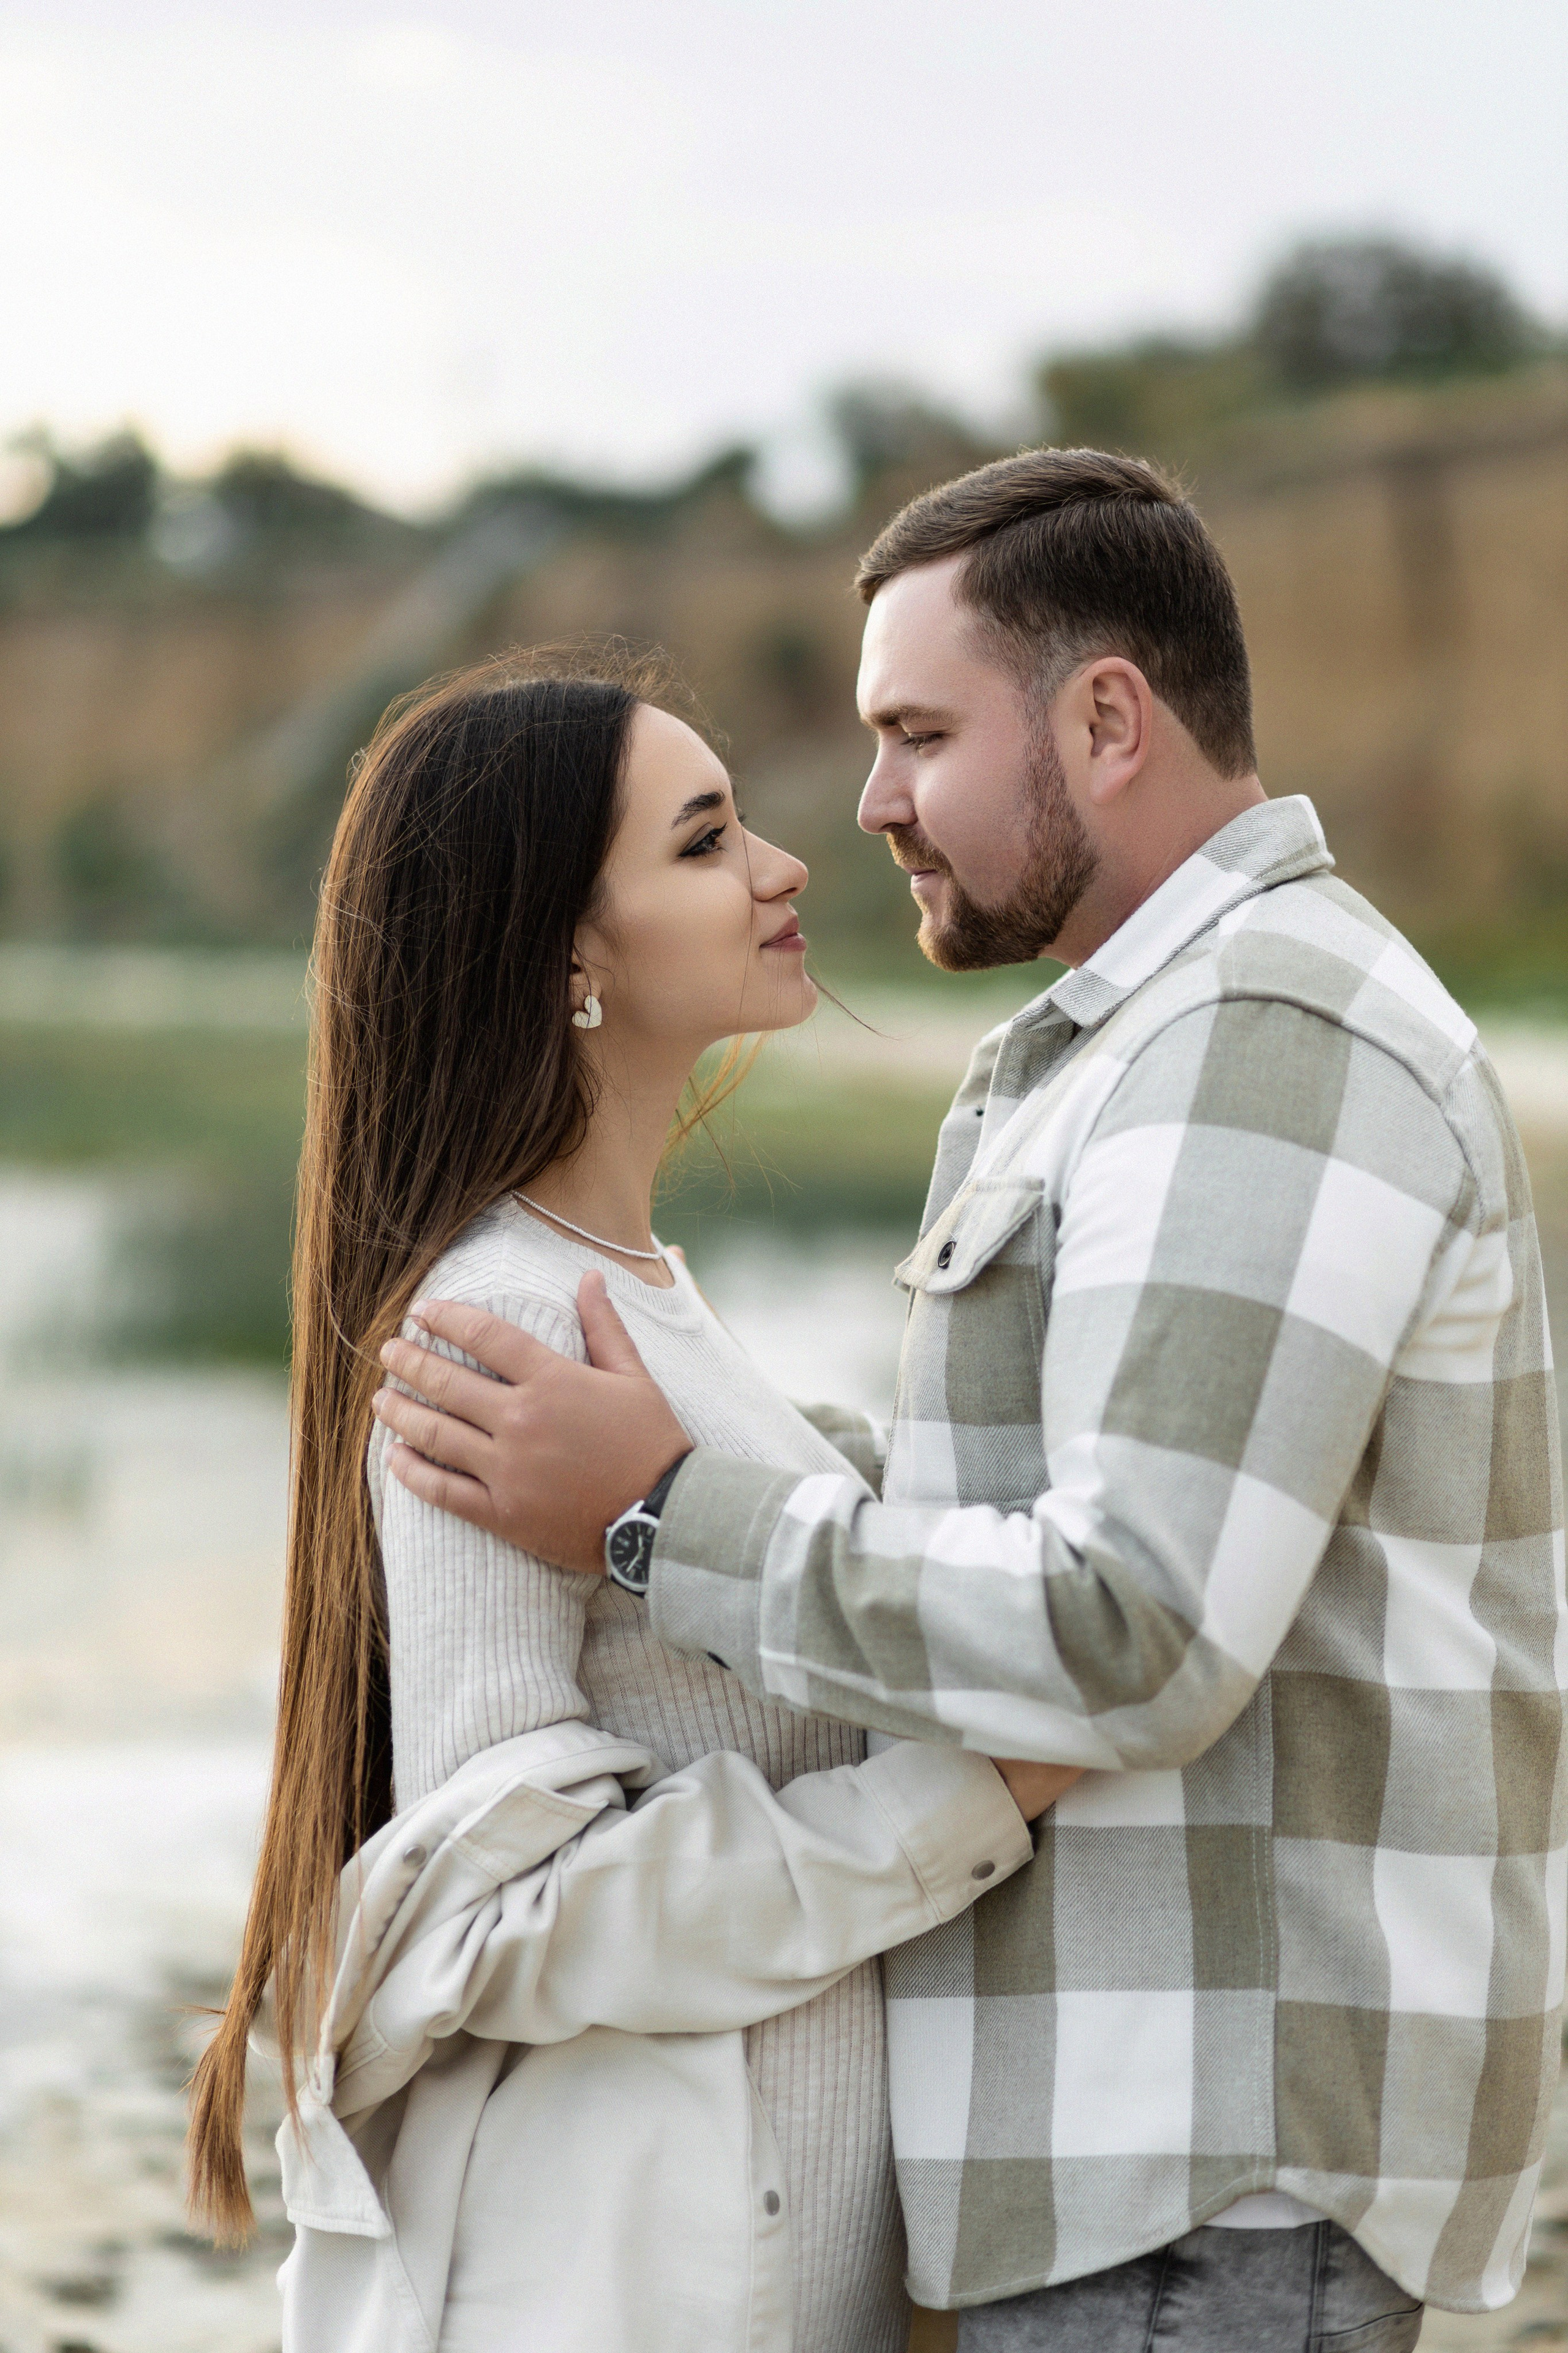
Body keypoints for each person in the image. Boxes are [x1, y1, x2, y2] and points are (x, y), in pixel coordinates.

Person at [374, 450, 1567, 2352]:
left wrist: (667, 1511)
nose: (862, 812)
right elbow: (1017, 1502)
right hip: (1125, 2170)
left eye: (916, 733)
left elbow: (1136, 1621)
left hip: (1199, 2175)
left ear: (1105, 718)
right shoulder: (1118, 1054)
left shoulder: (1259, 1042)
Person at [186, 657, 1075, 2353]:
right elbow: (499, 1917)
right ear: (571, 955)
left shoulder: (639, 1291)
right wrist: (971, 1798)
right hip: (619, 2288)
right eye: (706, 840)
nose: (786, 865)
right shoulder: (505, 1321)